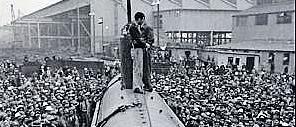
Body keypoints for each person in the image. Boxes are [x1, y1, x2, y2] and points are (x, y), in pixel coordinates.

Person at [128, 12, 154, 93]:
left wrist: (145, 44)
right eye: (142, 20)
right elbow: (137, 39)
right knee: (138, 68)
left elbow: (149, 40)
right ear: (140, 19)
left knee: (143, 68)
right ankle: (139, 86)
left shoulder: (144, 28)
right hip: (139, 49)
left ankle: (144, 84)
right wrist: (144, 43)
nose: (143, 22)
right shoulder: (133, 27)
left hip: (143, 50)